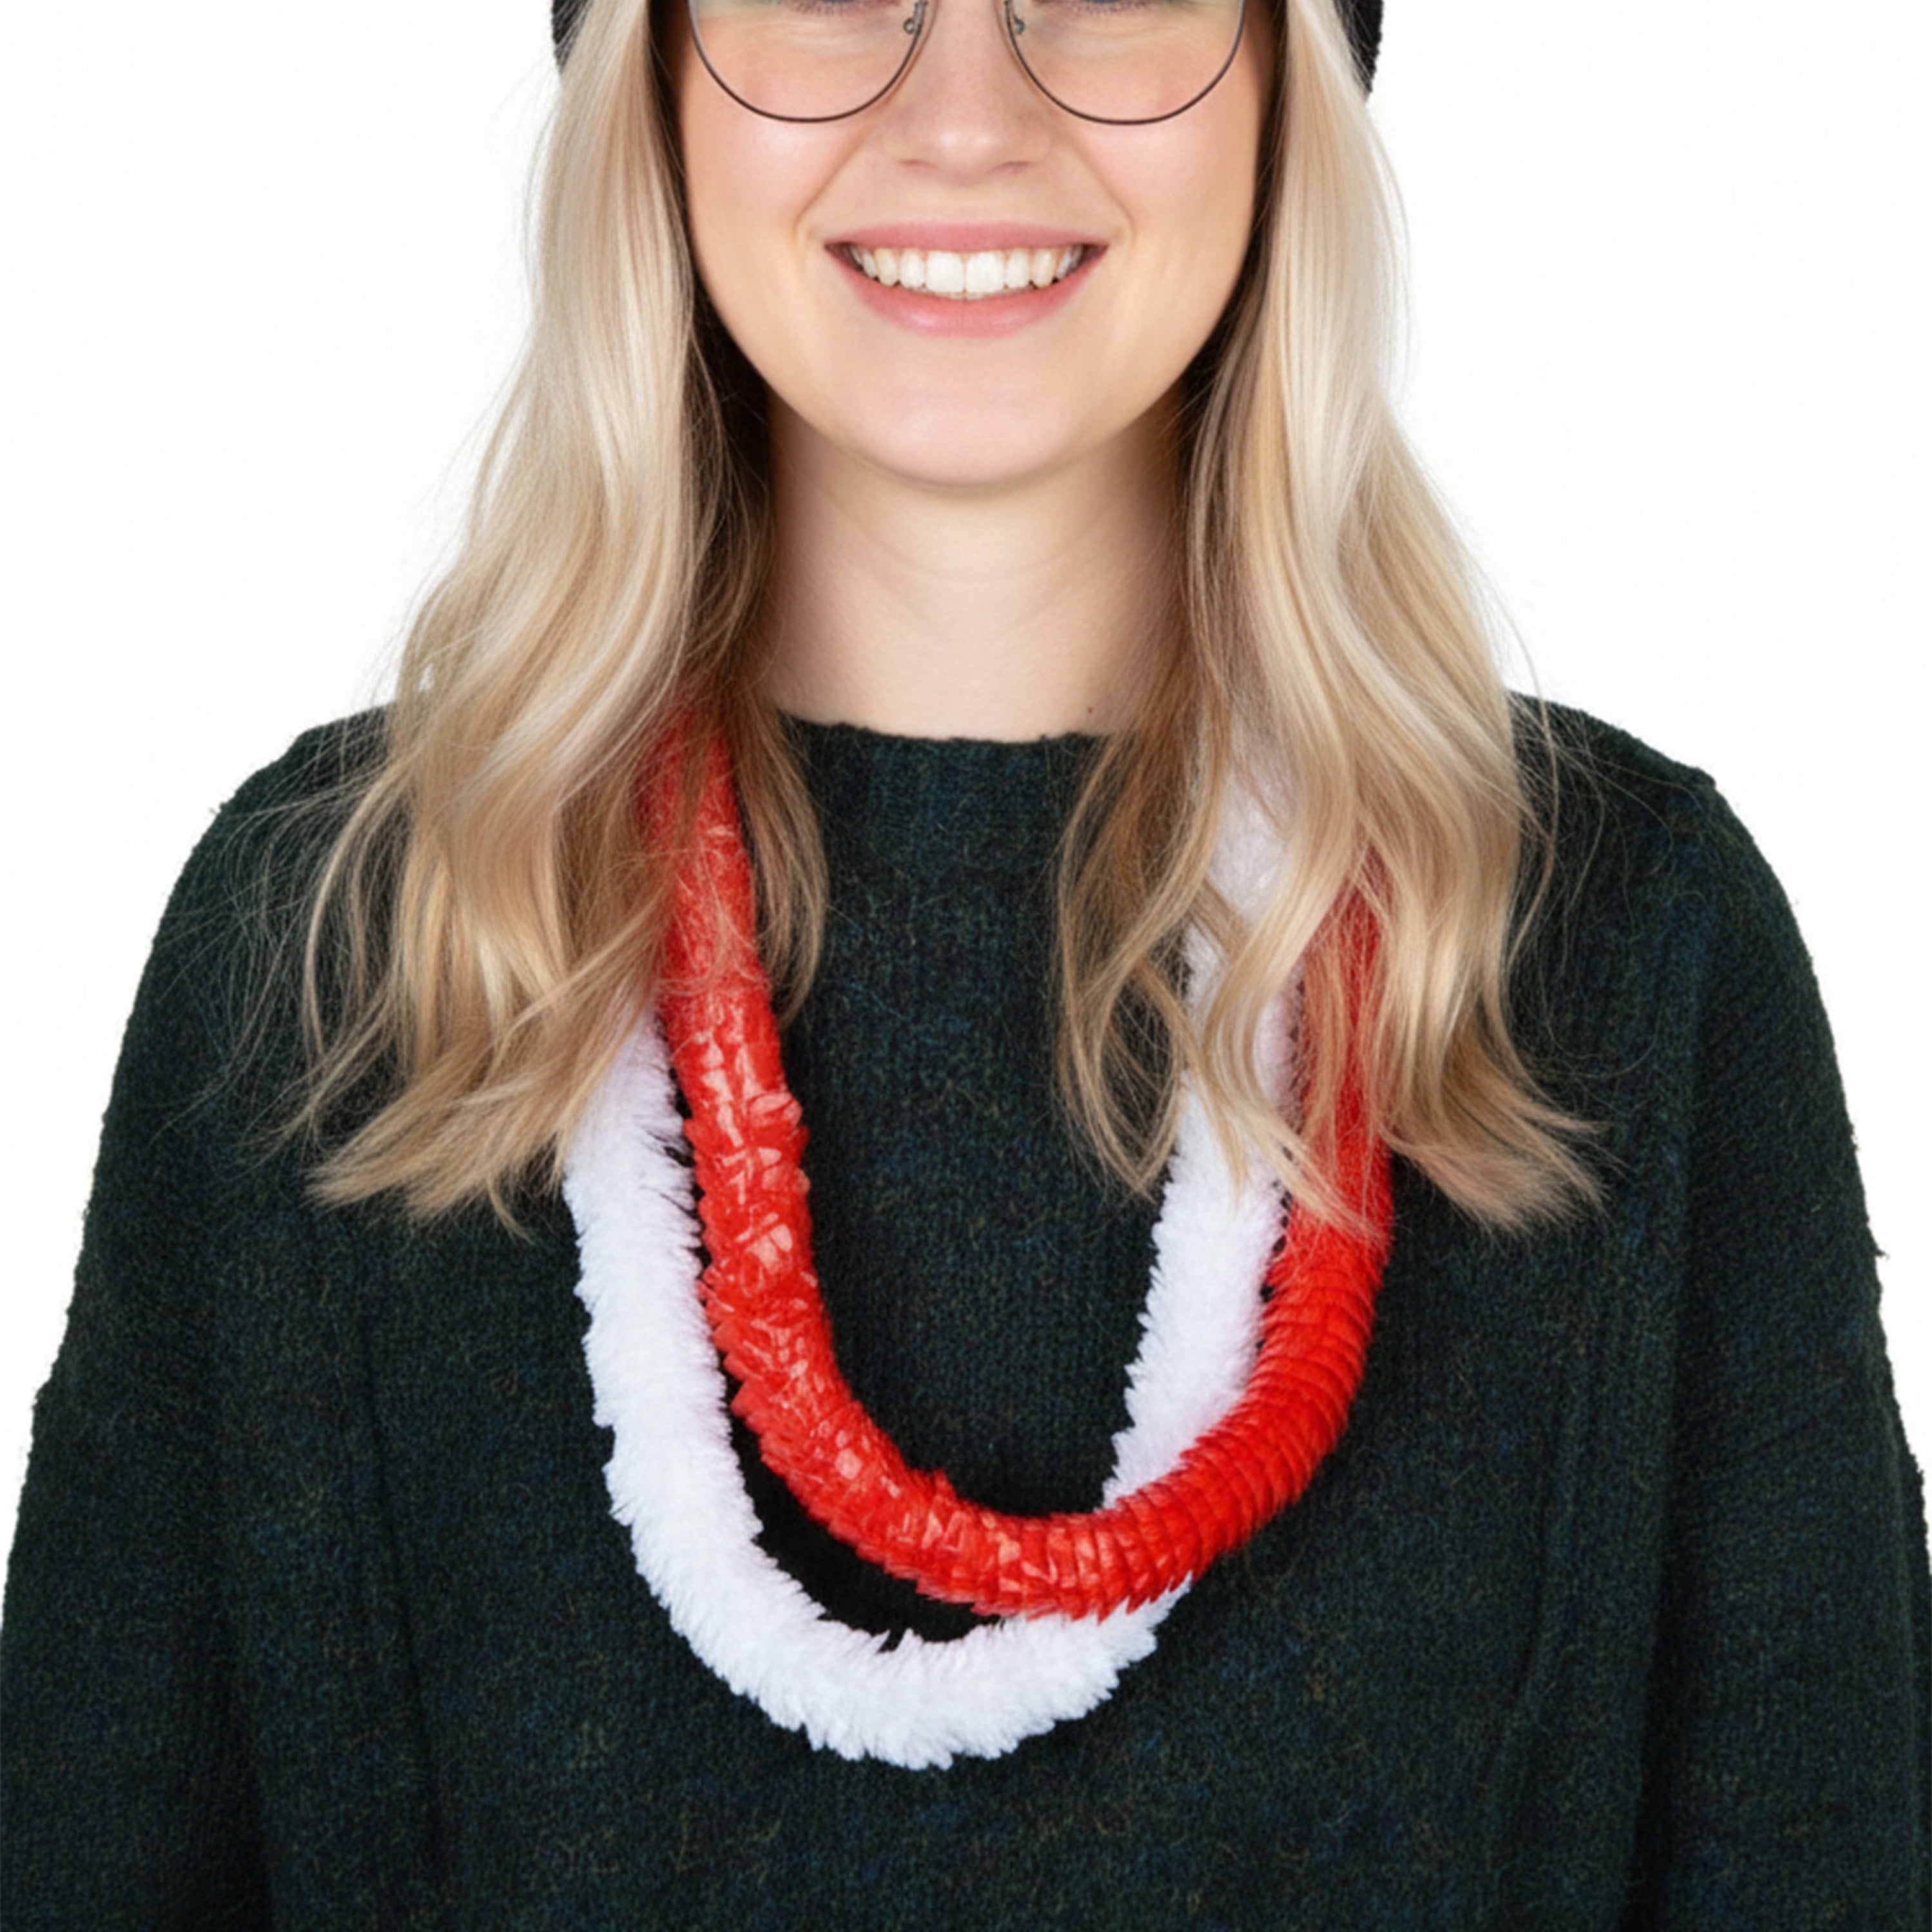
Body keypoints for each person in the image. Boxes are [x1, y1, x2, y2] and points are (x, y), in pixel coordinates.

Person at [3, 0, 1925, 1922]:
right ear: (652, 79)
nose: (966, 119)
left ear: (1286, 80)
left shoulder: (1622, 956)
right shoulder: (330, 953)